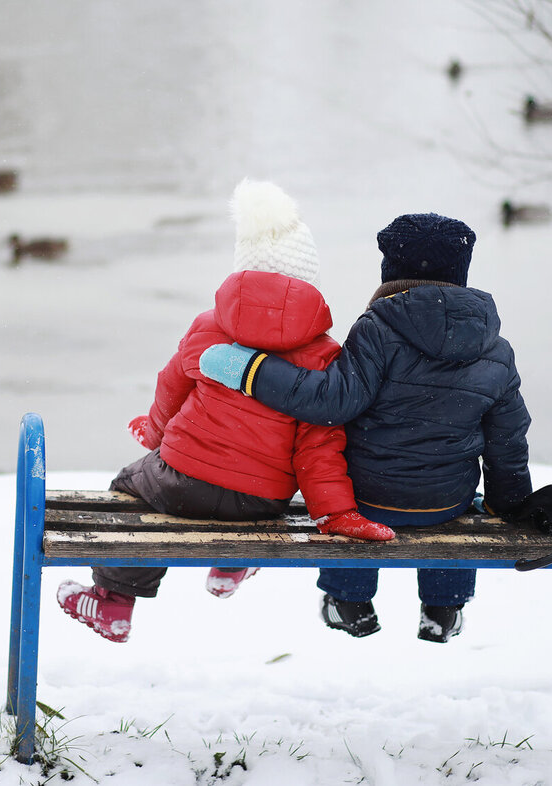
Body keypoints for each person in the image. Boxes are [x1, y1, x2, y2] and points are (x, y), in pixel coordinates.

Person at [57, 179, 394, 643]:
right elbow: (319, 447)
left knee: (129, 487)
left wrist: (154, 433)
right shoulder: (322, 354)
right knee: (246, 495)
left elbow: (170, 387)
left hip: (178, 482)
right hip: (259, 502)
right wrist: (334, 512)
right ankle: (232, 562)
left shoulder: (208, 327)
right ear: (308, 281)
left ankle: (115, 600)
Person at [199, 212, 533, 643]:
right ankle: (443, 608)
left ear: (389, 270)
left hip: (369, 497)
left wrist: (252, 369)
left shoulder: (377, 329)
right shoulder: (496, 348)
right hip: (445, 501)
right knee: (462, 504)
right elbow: (508, 438)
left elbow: (332, 402)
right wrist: (507, 503)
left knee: (352, 496)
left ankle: (349, 600)